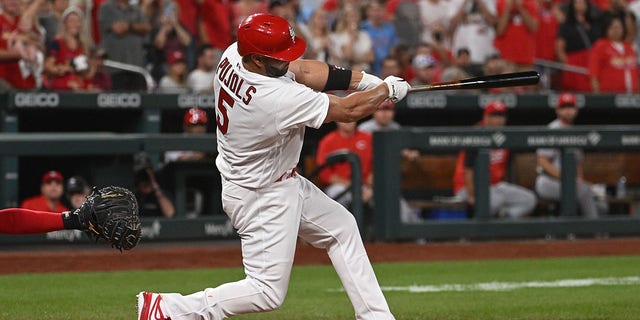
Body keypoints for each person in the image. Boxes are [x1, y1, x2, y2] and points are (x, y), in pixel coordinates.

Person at [137, 12, 410, 320]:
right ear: (255, 59)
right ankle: (169, 309)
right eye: (276, 58)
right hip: (261, 194)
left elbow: (303, 69)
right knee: (266, 292)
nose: (285, 63)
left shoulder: (233, 54)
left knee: (341, 228)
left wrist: (366, 81)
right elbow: (348, 110)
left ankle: (375, 316)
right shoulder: (275, 96)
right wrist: (385, 91)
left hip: (274, 180)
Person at [453, 100, 537, 218]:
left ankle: (504, 218)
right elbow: (468, 170)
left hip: (495, 187)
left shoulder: (504, 135)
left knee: (529, 199)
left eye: (501, 116)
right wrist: (472, 196)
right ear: (485, 117)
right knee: (494, 201)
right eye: (494, 115)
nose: (498, 120)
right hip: (467, 188)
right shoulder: (475, 134)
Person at [535, 92, 608, 218]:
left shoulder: (575, 131)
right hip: (548, 182)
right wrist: (567, 179)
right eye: (564, 107)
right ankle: (594, 230)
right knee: (584, 191)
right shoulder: (552, 129)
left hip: (568, 182)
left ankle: (595, 232)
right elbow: (542, 162)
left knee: (599, 197)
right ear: (557, 110)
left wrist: (580, 181)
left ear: (576, 110)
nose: (568, 111)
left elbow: (577, 163)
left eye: (571, 107)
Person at [588, 15, 639, 93]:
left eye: (618, 27)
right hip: (609, 95)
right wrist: (597, 95)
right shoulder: (600, 46)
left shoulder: (629, 47)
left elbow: (636, 72)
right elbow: (594, 73)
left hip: (632, 95)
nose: (616, 30)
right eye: (613, 27)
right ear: (606, 29)